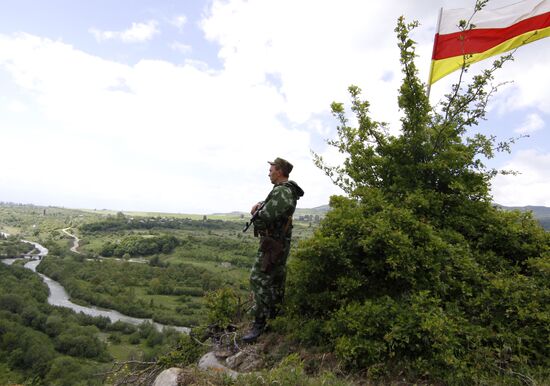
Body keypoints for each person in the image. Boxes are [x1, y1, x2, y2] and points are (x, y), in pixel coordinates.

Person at [242, 157, 304, 343]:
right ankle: (275, 318)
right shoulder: (282, 192)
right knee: (275, 279)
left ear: (279, 171)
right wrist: (261, 205)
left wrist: (255, 212)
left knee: (258, 278)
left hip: (274, 244)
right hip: (277, 243)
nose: (268, 172)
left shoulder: (283, 192)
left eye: (271, 169)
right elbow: (272, 207)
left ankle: (259, 324)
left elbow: (266, 217)